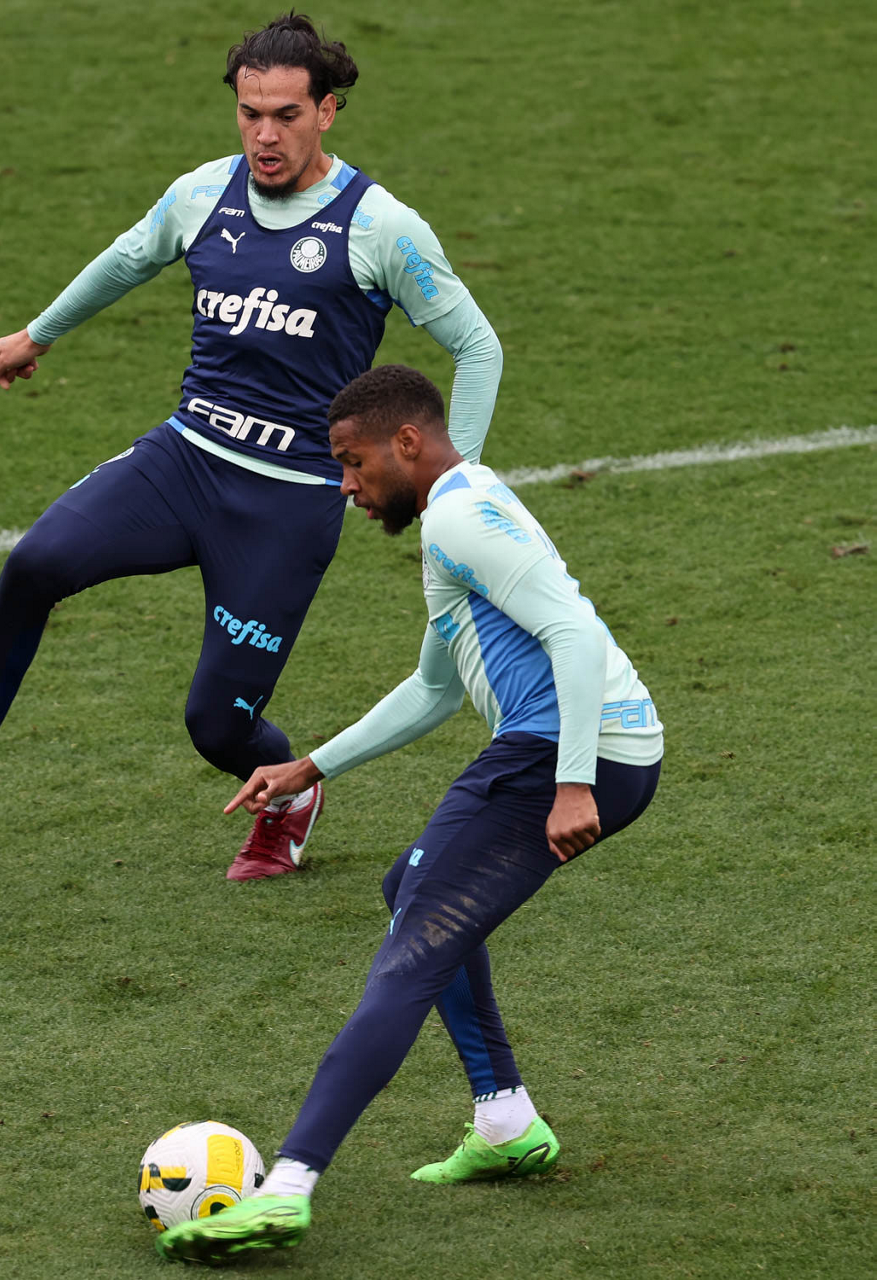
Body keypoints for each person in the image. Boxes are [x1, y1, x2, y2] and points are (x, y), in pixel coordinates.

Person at [0, 14, 503, 879]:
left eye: (286, 115)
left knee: (216, 727)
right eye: (249, 113)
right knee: (36, 562)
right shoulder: (202, 194)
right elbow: (127, 259)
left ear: (326, 111)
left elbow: (477, 347)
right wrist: (37, 334)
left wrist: (454, 488)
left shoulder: (381, 227)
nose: (265, 136)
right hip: (183, 461)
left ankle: (291, 794)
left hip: (285, 502)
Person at [155, 364, 664, 1264]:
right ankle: (505, 1120)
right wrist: (308, 765)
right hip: (580, 750)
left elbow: (576, 635)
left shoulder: (460, 520)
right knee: (408, 891)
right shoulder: (456, 518)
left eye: (352, 463)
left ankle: (287, 1187)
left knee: (409, 956)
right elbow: (433, 690)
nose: (345, 485)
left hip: (560, 754)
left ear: (406, 442)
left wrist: (571, 782)